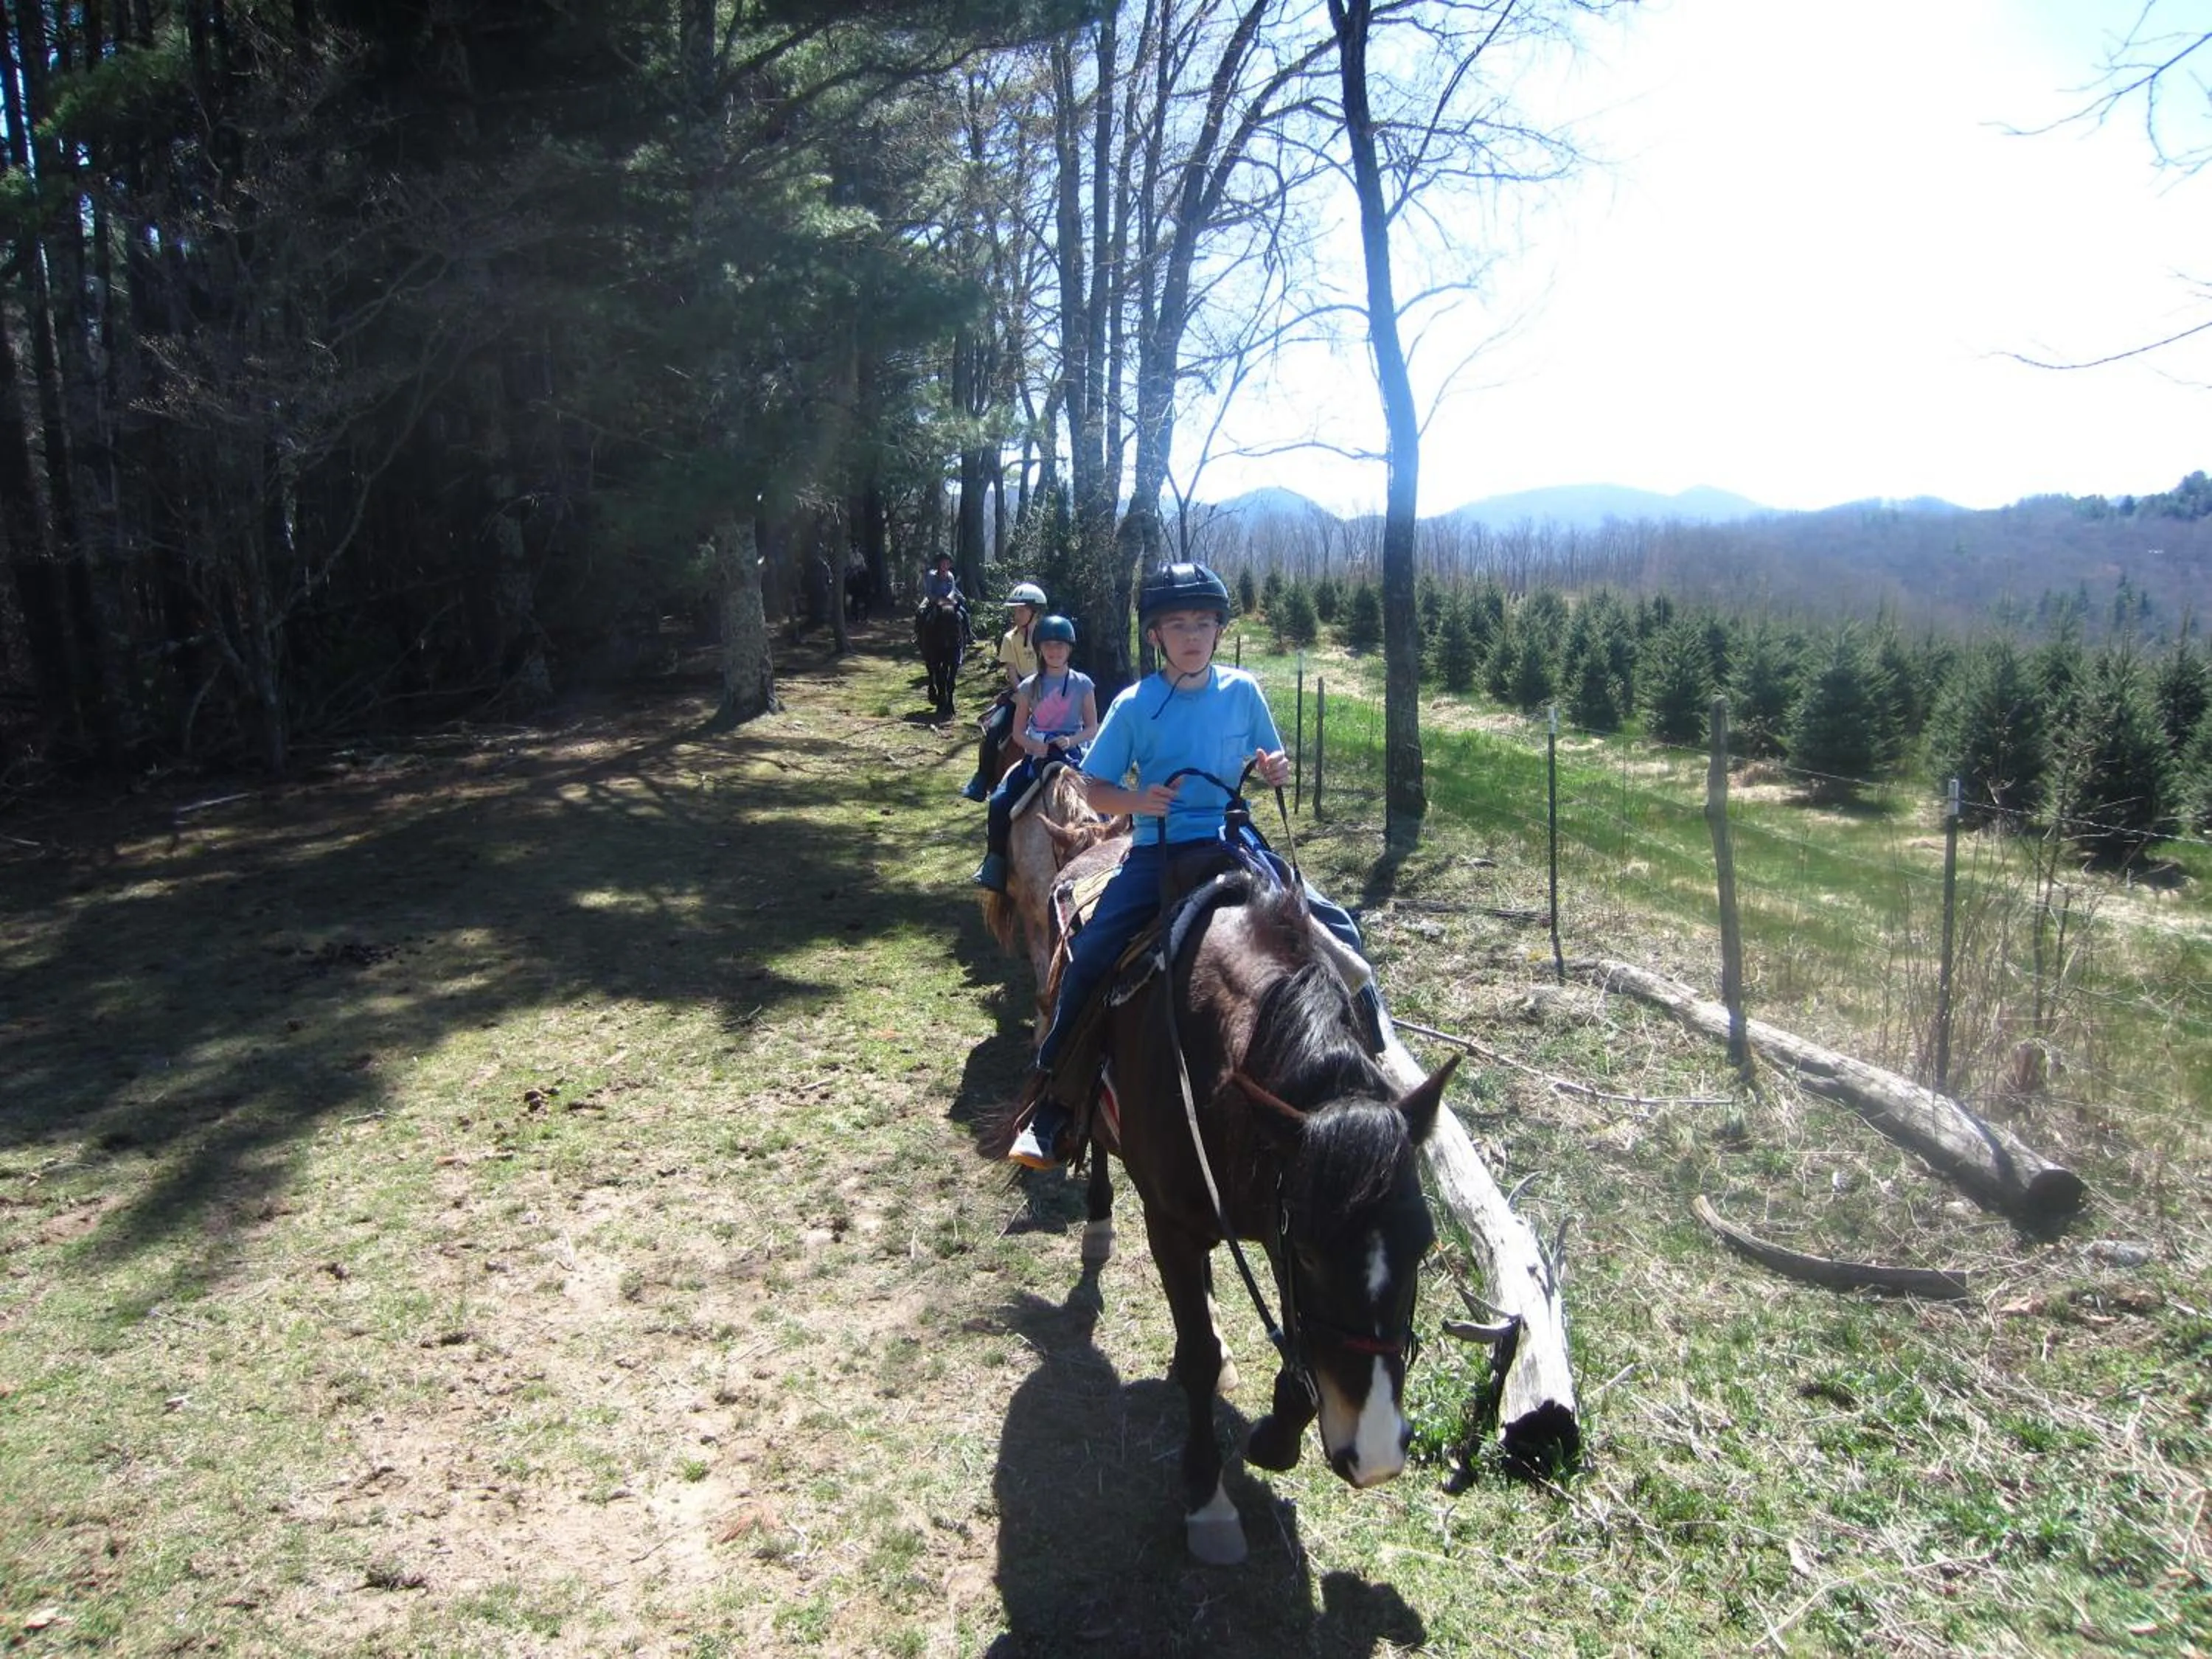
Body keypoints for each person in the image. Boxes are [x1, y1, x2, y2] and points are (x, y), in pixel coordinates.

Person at [1006, 563, 1299, 1169]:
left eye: (1203, 623)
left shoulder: (1242, 690)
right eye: (1177, 624)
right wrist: (1139, 802)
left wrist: (1275, 768)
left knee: (1322, 924)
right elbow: (1096, 788)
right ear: (1156, 636)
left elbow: (1272, 756)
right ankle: (1053, 1100)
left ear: (1219, 630)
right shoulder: (1135, 705)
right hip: (1156, 850)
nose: (1193, 635)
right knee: (1090, 958)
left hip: (1227, 838)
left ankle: (1369, 1040)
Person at [973, 615, 1100, 892]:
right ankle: (995, 862)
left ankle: (1123, 852)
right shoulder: (1030, 685)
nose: (1055, 651)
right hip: (1038, 754)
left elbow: (1093, 727)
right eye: (1049, 646)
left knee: (1113, 794)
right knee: (999, 801)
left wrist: (1072, 739)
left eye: (1061, 646)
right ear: (1040, 649)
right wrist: (1034, 746)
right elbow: (1018, 732)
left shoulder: (1083, 684)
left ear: (1069, 649)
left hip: (1074, 753)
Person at [960, 582, 1048, 802]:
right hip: (1019, 691)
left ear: (1034, 612)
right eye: (1015, 611)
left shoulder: (1049, 637)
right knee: (994, 728)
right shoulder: (1010, 638)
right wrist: (1022, 693)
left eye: (1021, 610)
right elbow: (1011, 671)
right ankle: (982, 777)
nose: (1016, 615)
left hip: (1049, 694)